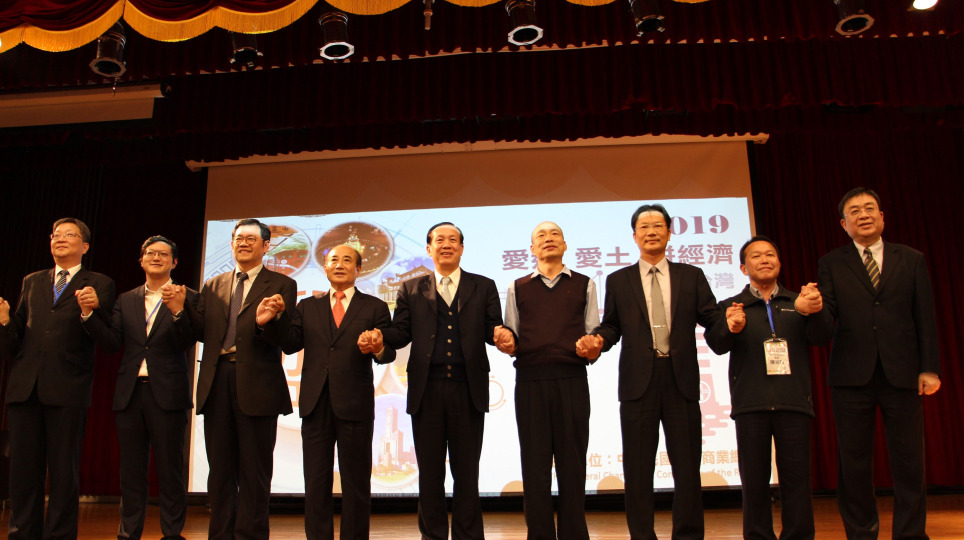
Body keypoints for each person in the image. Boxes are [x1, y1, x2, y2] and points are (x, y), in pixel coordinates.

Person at [581, 203, 724, 540]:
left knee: (687, 466)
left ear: (669, 232)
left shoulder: (691, 276)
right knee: (638, 468)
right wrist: (598, 340)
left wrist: (730, 324)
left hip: (681, 380)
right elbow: (612, 325)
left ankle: (688, 535)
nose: (651, 232)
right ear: (634, 236)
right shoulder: (619, 280)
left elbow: (712, 318)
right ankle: (642, 535)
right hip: (638, 384)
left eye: (658, 225)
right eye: (643, 227)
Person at [817, 187, 941, 540]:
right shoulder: (831, 263)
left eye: (870, 208)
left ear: (882, 217)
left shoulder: (911, 258)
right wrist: (812, 309)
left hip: (902, 372)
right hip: (851, 376)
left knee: (909, 460)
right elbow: (827, 319)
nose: (864, 215)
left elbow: (925, 316)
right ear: (844, 224)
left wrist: (929, 368)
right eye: (854, 211)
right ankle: (861, 533)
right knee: (853, 463)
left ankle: (910, 534)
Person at [372, 222, 507, 540]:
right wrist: (380, 338)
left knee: (467, 473)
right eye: (439, 240)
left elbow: (493, 327)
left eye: (453, 240)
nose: (446, 244)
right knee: (430, 474)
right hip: (426, 392)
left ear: (462, 248)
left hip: (468, 390)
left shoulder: (483, 286)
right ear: (429, 248)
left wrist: (501, 334)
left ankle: (468, 536)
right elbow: (401, 332)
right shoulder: (410, 288)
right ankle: (432, 536)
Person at [257, 244, 396, 540]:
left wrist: (378, 347)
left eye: (347, 260)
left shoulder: (374, 307)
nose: (340, 265)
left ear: (359, 269)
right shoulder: (308, 306)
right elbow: (290, 344)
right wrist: (275, 319)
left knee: (356, 482)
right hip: (315, 403)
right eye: (334, 260)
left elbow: (388, 354)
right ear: (325, 267)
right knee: (316, 482)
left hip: (355, 404)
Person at [704, 236, 832, 540]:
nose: (764, 260)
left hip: (793, 401)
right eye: (756, 256)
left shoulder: (797, 302)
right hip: (751, 404)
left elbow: (821, 336)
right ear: (743, 268)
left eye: (770, 254)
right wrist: (730, 326)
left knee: (797, 480)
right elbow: (717, 344)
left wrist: (813, 309)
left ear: (779, 263)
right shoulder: (732, 306)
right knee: (754, 481)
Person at [0, 217, 116, 540]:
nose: (60, 239)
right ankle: (22, 533)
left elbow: (108, 340)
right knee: (23, 471)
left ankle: (60, 535)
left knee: (64, 472)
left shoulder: (100, 283)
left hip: (68, 388)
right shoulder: (32, 281)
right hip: (25, 388)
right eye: (56, 234)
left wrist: (90, 312)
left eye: (69, 234)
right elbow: (14, 341)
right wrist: (5, 322)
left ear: (85, 246)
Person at [81, 235, 197, 540]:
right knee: (131, 471)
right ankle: (128, 532)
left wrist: (178, 311)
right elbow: (111, 342)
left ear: (174, 262)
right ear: (141, 260)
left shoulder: (188, 296)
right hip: (130, 394)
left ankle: (172, 533)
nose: (156, 258)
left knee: (170, 469)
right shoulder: (126, 299)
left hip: (168, 393)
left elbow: (186, 342)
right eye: (150, 253)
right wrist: (89, 316)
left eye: (163, 254)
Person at [194, 218, 297, 540]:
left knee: (255, 471)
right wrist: (179, 310)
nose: (244, 243)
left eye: (251, 239)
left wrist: (266, 322)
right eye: (239, 238)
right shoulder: (213, 285)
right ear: (231, 244)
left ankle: (251, 535)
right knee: (220, 471)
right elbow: (200, 332)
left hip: (258, 384)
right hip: (217, 381)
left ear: (266, 246)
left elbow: (286, 339)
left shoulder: (282, 285)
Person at [499, 221, 600, 540]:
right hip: (530, 383)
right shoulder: (517, 287)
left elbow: (593, 333)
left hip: (572, 380)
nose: (548, 239)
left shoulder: (584, 284)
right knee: (535, 466)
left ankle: (574, 534)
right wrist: (505, 342)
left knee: (573, 465)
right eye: (541, 236)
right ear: (532, 249)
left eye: (555, 234)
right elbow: (512, 335)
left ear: (565, 245)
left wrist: (593, 347)